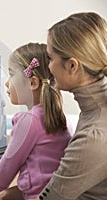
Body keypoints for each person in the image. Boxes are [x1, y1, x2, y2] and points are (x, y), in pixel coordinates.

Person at [0, 43, 72, 199]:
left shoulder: (29, 121)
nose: (6, 82)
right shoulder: (61, 118)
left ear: (32, 83)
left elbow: (10, 161)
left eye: (11, 74)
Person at [38, 12, 107, 200]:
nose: (49, 67)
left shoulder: (94, 135)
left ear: (72, 66)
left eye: (51, 59)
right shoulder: (93, 110)